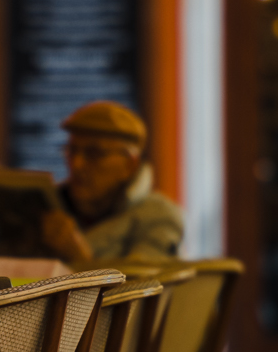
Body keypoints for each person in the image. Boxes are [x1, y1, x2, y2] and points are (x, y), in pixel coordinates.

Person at [41, 101, 185, 262]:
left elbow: (147, 284)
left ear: (129, 165)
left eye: (94, 153)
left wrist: (79, 260)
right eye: (72, 151)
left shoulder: (159, 217)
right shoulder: (51, 206)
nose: (77, 164)